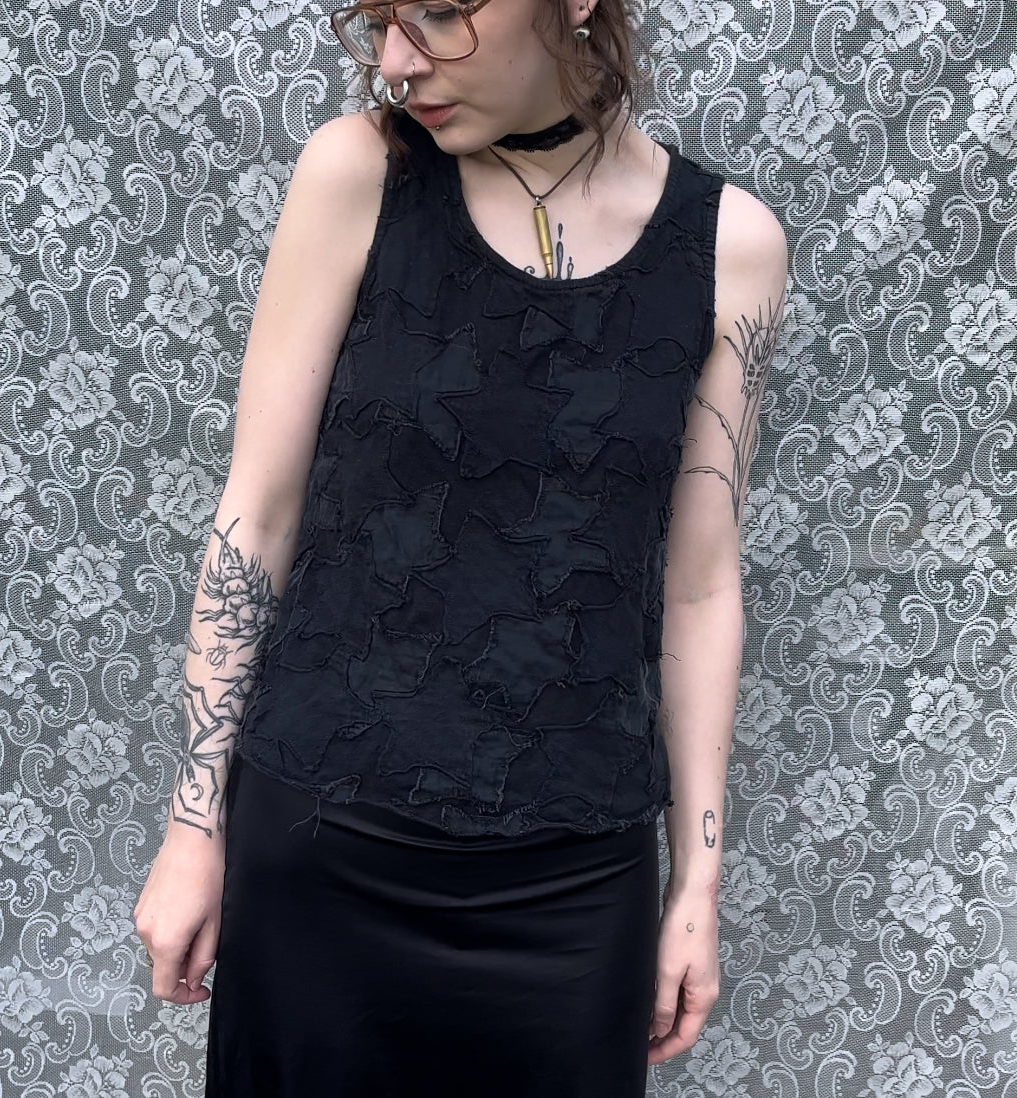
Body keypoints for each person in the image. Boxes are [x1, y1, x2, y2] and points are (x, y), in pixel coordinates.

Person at [133, 0, 788, 1092]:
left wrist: (697, 890)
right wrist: (193, 829)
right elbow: (260, 510)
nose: (397, 62)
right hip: (322, 850)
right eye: (382, 19)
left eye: (439, 12)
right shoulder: (359, 173)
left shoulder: (732, 248)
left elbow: (699, 585)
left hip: (572, 884)